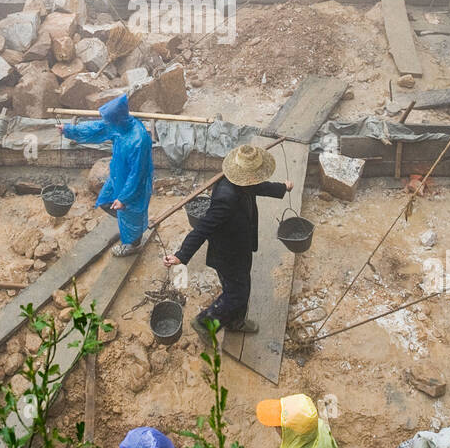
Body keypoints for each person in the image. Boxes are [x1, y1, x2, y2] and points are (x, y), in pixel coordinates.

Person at [163, 143, 291, 338]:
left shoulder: (244, 182)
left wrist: (282, 188)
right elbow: (203, 227)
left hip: (241, 246)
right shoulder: (226, 198)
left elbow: (259, 186)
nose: (256, 179)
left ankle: (235, 322)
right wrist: (181, 255)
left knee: (241, 287)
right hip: (227, 254)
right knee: (237, 293)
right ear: (246, 175)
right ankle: (204, 323)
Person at [59, 95, 153, 256]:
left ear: (118, 118)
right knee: (105, 201)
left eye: (109, 120)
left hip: (133, 184)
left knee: (131, 212)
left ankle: (133, 244)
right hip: (118, 175)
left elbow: (137, 174)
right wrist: (69, 130)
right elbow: (96, 128)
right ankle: (129, 227)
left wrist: (124, 198)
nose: (107, 124)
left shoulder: (139, 140)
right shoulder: (118, 125)